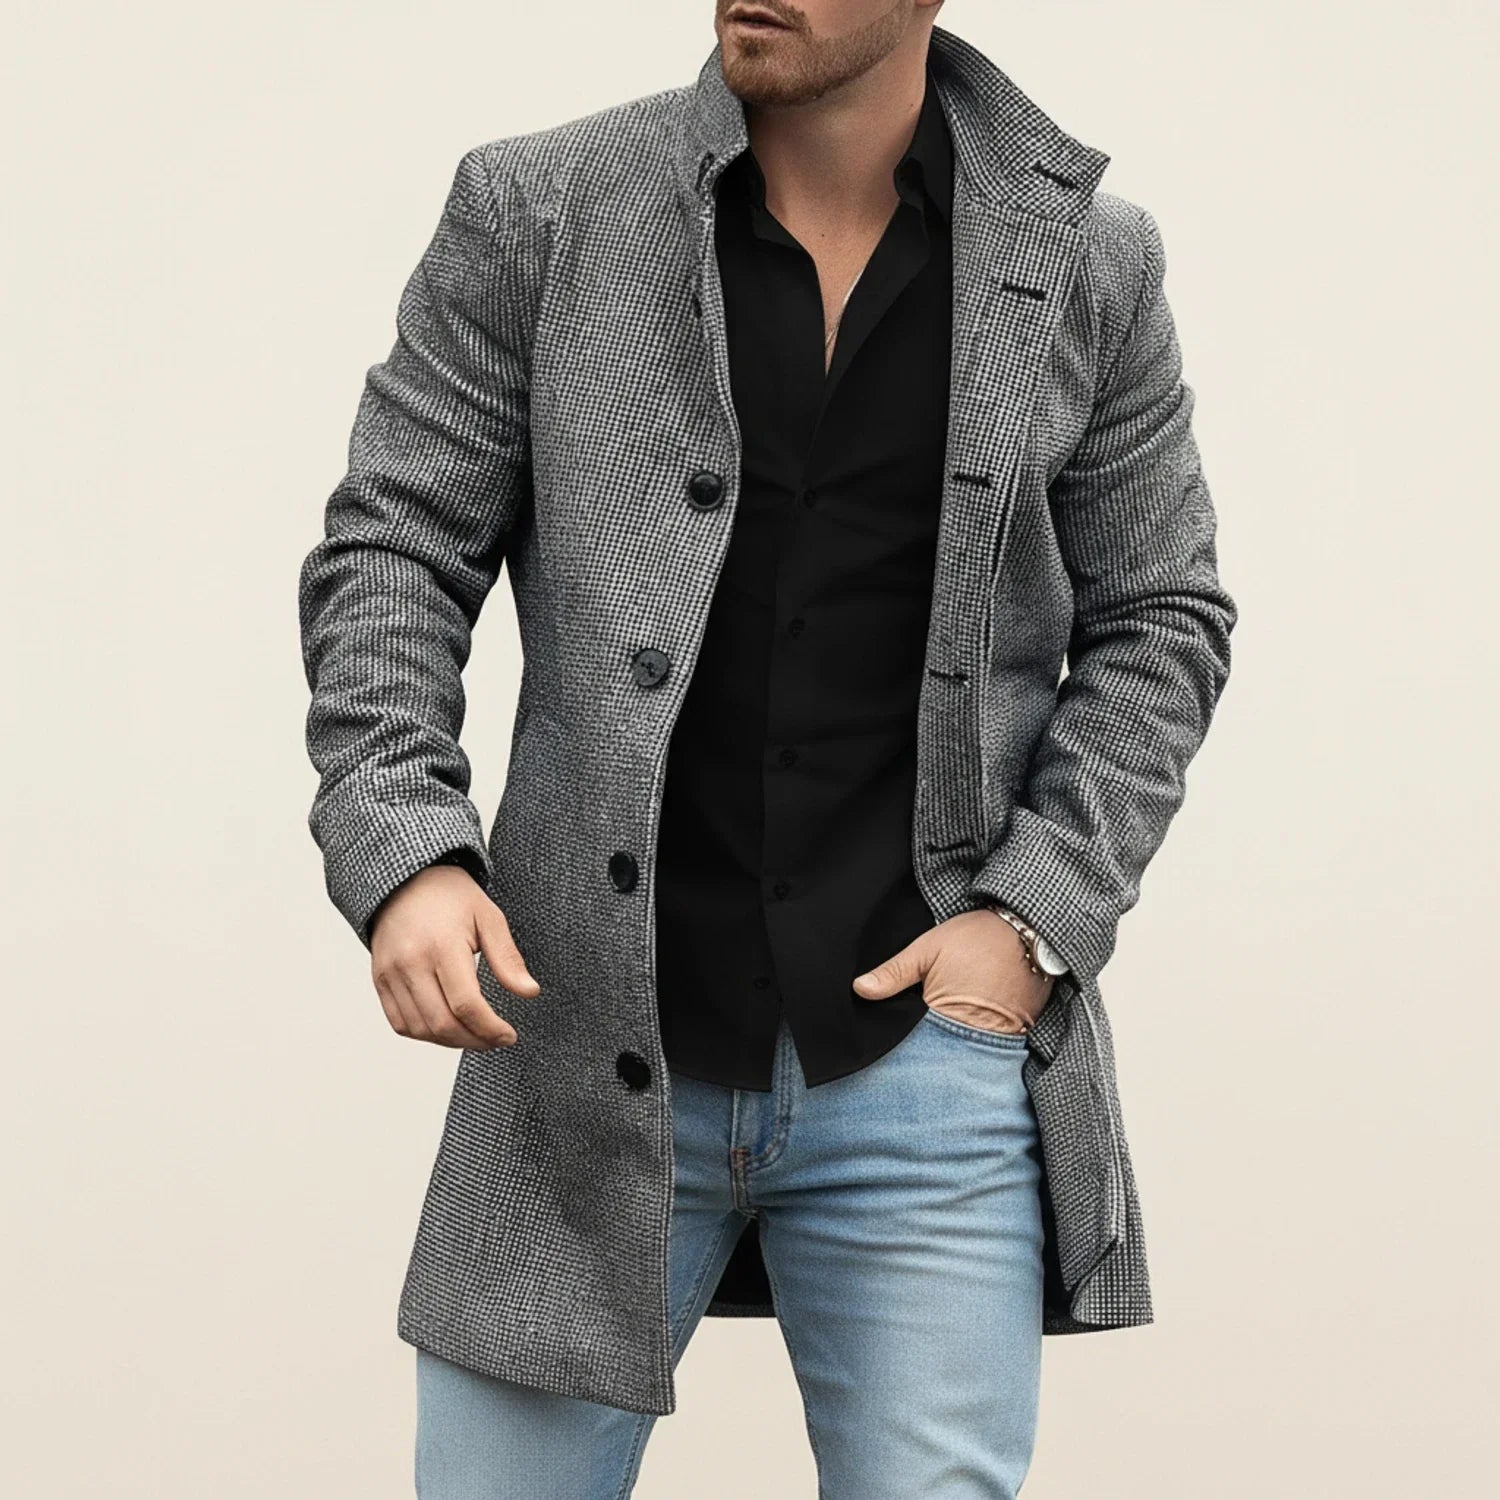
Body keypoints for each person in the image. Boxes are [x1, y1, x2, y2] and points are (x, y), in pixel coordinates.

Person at [297, 3, 1236, 1495]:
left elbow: (1162, 617)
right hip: (575, 1050)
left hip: (924, 1069)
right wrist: (406, 847)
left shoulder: (1085, 261)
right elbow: (393, 547)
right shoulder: (539, 209)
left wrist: (1031, 921)